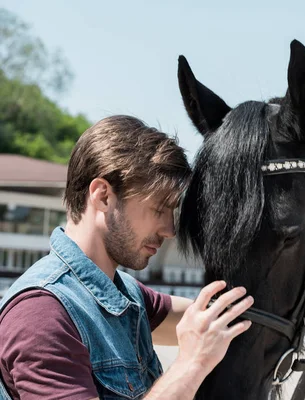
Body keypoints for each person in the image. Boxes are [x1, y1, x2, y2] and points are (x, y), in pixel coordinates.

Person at [0, 115, 254, 400]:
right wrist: (192, 364)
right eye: (159, 208)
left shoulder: (127, 295)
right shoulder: (42, 315)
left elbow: (205, 322)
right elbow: (196, 344)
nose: (170, 230)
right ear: (103, 196)